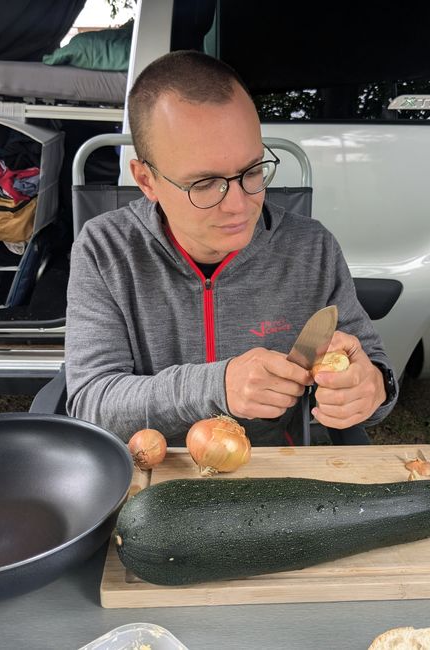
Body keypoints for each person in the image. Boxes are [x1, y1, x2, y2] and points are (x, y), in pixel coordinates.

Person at [65, 50, 397, 445]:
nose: (240, 205)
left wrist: (370, 388)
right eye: (205, 184)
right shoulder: (105, 250)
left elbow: (374, 369)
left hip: (281, 475)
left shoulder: (312, 248)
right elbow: (91, 402)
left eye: (252, 171)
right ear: (146, 180)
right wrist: (218, 385)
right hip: (158, 472)